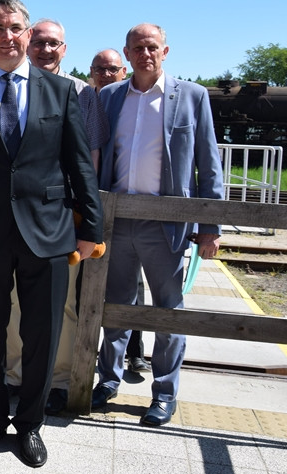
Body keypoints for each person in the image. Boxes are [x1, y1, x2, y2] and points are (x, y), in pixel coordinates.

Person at [0, 0, 102, 468]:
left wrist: (90, 227)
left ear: (28, 35)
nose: (6, 36)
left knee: (43, 336)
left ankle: (31, 425)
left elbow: (79, 165)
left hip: (50, 235)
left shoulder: (61, 92)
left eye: (15, 28)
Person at [92, 23, 223, 427]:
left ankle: (164, 394)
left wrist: (210, 226)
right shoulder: (111, 97)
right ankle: (108, 381)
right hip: (118, 220)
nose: (145, 54)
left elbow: (208, 161)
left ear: (165, 51)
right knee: (113, 307)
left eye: (152, 47)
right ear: (127, 54)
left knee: (169, 312)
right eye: (137, 48)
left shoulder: (192, 97)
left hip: (167, 224)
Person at [6, 19, 109, 416]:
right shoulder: (8, 87)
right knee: (14, 302)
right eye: (40, 42)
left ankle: (59, 380)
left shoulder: (82, 93)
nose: (46, 50)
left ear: (65, 49)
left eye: (55, 44)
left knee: (61, 307)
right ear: (28, 43)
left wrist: (89, 221)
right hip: (14, 217)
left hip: (62, 219)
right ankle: (15, 375)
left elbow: (90, 161)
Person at [89, 48, 149, 375]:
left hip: (125, 208)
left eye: (112, 69)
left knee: (131, 286)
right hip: (95, 205)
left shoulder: (123, 102)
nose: (105, 74)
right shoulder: (87, 99)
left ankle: (135, 350)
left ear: (122, 71)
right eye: (100, 68)